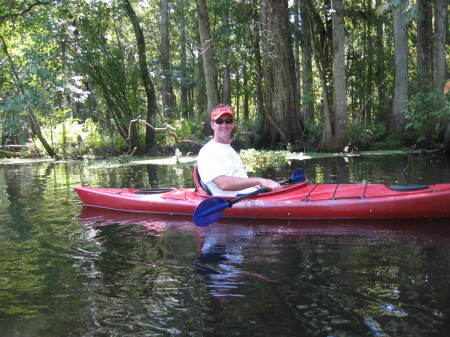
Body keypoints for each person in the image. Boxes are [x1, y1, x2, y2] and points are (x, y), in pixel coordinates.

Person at [197, 105, 282, 197]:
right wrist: (261, 181)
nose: (224, 125)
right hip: (233, 200)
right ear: (212, 125)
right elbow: (224, 184)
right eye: (219, 121)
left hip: (251, 194)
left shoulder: (229, 149)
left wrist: (265, 184)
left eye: (228, 121)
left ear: (233, 123)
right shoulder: (208, 152)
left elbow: (241, 179)